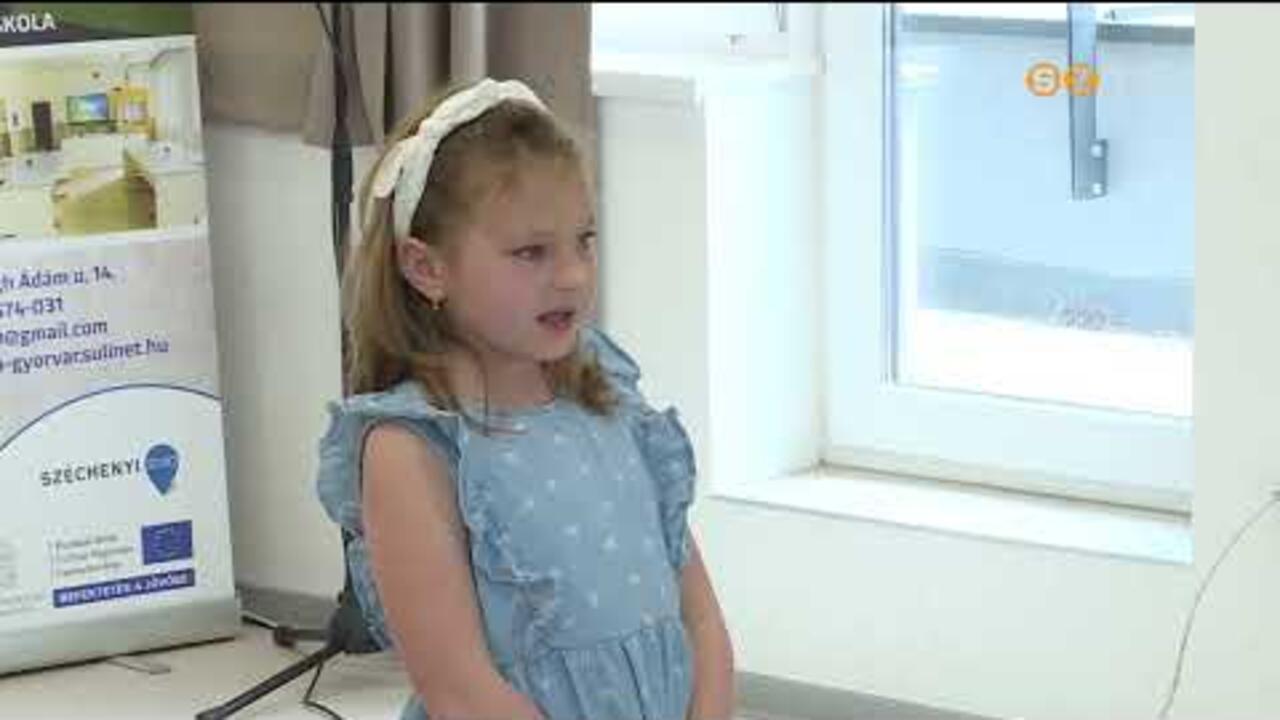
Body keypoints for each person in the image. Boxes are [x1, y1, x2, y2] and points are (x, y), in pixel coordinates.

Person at [315, 78, 735, 720]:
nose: (572, 275)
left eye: (584, 240)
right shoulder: (412, 448)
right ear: (427, 268)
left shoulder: (608, 395)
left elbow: (700, 617)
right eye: (531, 252)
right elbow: (459, 691)